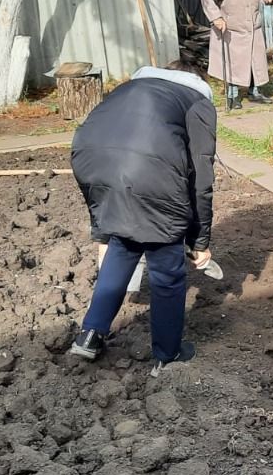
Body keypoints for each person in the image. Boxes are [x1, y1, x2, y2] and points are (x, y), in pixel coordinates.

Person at [68, 60, 218, 377]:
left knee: (124, 243)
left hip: (90, 159)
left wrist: (102, 226)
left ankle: (90, 334)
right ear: (196, 79)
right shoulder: (197, 101)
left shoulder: (129, 87)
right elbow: (201, 177)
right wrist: (199, 240)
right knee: (166, 262)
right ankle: (168, 353)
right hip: (149, 171)